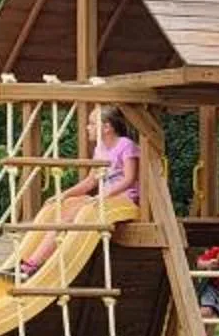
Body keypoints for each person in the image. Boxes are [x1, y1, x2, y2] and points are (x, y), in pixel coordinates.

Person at [16, 107, 141, 278]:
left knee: (72, 216)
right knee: (65, 208)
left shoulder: (125, 145)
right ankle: (41, 258)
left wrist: (103, 195)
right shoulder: (100, 149)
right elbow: (91, 181)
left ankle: (34, 263)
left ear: (107, 128)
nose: (87, 128)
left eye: (91, 124)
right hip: (105, 199)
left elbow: (129, 178)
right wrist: (64, 195)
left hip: (124, 200)